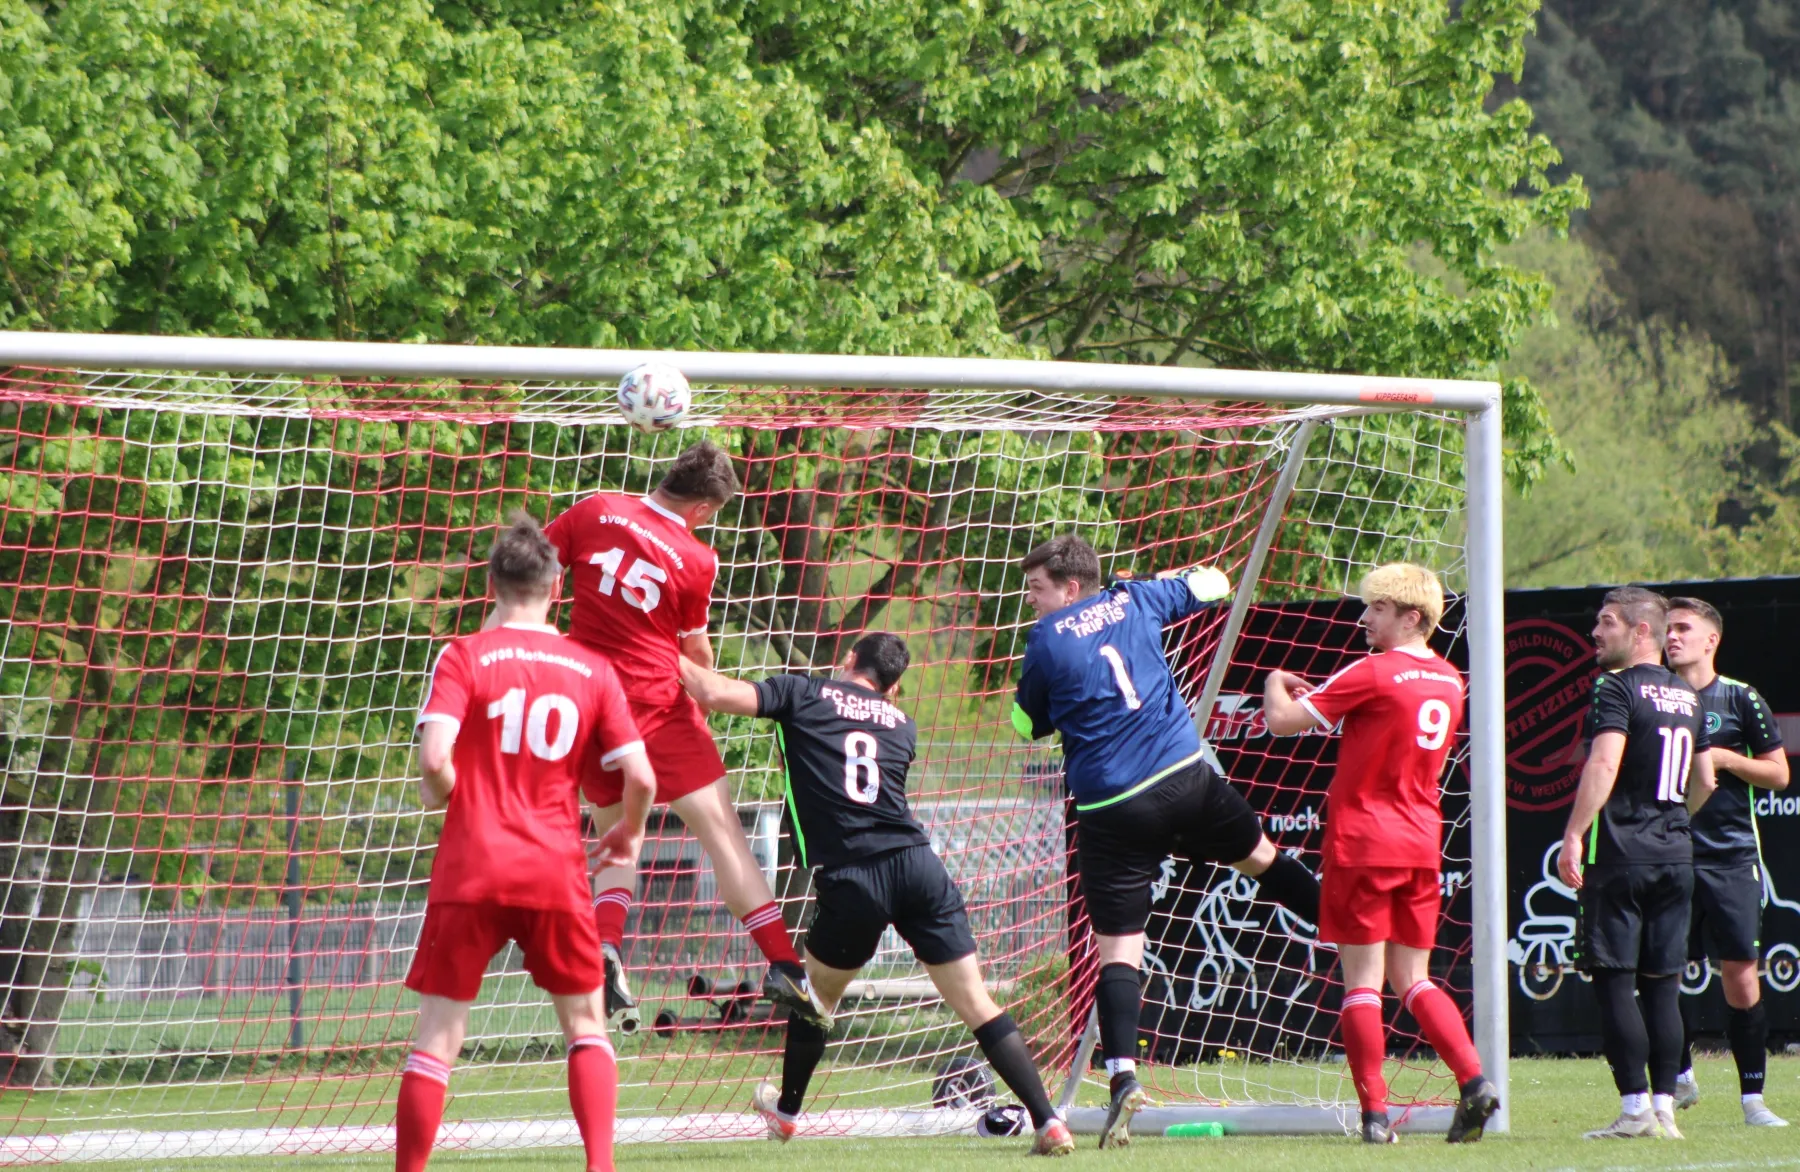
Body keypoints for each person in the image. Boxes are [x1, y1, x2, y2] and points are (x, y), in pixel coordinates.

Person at [678, 633, 1076, 1156]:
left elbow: (710, 690)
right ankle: (1049, 1122)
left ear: (849, 660)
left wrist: (646, 646)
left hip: (855, 876)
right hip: (918, 868)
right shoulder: (902, 724)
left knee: (815, 997)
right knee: (977, 1002)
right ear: (895, 685)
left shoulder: (803, 692)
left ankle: (787, 1113)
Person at [1010, 535, 1321, 1149]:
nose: (1031, 600)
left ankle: (1124, 1077)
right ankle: (1353, 929)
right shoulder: (1135, 598)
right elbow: (1215, 583)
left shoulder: (1046, 638)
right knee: (1262, 859)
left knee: (1119, 950)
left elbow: (1026, 725)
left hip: (1114, 805)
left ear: (1070, 588)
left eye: (1037, 588)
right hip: (1184, 779)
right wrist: (1153, 582)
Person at [400, 515, 655, 1172]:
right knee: (585, 1026)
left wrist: (444, 791)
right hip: (554, 869)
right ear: (556, 588)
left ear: (492, 583)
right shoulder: (592, 668)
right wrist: (628, 829)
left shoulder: (464, 654)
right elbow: (642, 778)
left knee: (437, 1040)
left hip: (472, 866)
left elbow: (434, 760)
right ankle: (600, 1167)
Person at [543, 441, 825, 1027]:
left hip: (588, 703)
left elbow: (538, 566)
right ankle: (784, 965)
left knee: (617, 836)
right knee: (725, 838)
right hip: (656, 708)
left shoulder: (596, 508)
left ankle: (607, 948)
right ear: (702, 508)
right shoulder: (697, 559)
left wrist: (547, 636)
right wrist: (704, 695)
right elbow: (695, 652)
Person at [1263, 563, 1499, 1145]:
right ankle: (1473, 1081)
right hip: (1421, 842)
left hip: (1364, 841)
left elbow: (1280, 721)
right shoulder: (1450, 679)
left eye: (1377, 608)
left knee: (1363, 983)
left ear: (1412, 617)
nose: (1364, 618)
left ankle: (1374, 1116)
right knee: (1413, 978)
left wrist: (1274, 679)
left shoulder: (1373, 670)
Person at [1557, 587, 1717, 1140]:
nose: (1595, 633)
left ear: (1640, 630)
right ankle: (1666, 1111)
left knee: (1614, 982)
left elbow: (1603, 764)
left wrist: (1574, 834)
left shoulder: (1616, 687)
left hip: (1622, 856)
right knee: (1663, 988)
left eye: (1607, 622)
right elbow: (1705, 781)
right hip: (1675, 856)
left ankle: (1634, 1111)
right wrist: (1670, 820)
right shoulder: (1689, 694)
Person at [1663, 596, 1789, 1128]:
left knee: (1740, 976)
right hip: (1667, 853)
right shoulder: (1655, 695)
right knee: (1660, 972)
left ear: (1711, 639)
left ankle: (1753, 1101)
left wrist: (1725, 759)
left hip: (1731, 856)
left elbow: (1779, 774)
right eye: (1667, 628)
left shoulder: (1740, 697)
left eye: (1682, 628)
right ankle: (1679, 1075)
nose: (1671, 637)